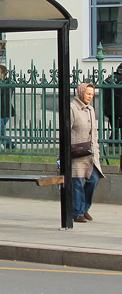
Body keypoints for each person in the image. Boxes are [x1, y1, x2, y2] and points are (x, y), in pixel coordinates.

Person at [70, 82, 103, 223]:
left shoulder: (90, 109)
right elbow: (66, 130)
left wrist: (97, 151)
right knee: (77, 182)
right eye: (87, 93)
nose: (89, 96)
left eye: (91, 94)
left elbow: (94, 132)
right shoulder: (72, 108)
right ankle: (77, 212)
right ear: (81, 92)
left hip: (90, 154)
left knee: (94, 179)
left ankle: (84, 208)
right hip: (76, 153)